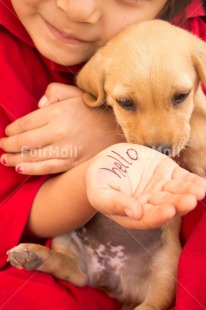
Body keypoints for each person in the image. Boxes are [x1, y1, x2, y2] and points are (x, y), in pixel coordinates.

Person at [0, 0, 205, 309]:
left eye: (178, 97)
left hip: (152, 256)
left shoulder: (188, 43)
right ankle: (70, 266)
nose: (78, 9)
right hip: (69, 249)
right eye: (127, 102)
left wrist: (107, 124)